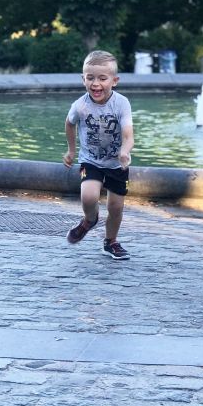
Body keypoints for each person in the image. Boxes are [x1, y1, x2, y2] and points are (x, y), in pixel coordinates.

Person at [63, 50, 135, 260]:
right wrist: (71, 150)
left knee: (116, 206)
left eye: (102, 78)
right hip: (90, 160)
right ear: (83, 79)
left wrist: (124, 151)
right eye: (90, 78)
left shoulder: (122, 103)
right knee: (89, 196)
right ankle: (90, 219)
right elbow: (69, 123)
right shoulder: (81, 105)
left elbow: (129, 136)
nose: (96, 83)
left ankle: (110, 241)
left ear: (114, 81)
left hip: (116, 163)